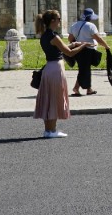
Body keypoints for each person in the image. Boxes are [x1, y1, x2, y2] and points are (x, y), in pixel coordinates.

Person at [33, 10, 85, 138]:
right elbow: (69, 53)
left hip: (48, 68)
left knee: (48, 99)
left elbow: (59, 49)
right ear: (53, 21)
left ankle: (48, 130)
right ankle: (52, 130)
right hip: (56, 69)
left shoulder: (45, 35)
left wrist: (73, 44)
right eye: (59, 19)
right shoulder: (54, 36)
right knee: (55, 99)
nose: (60, 21)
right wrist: (83, 45)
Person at [68, 7, 109, 96]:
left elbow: (70, 39)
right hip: (88, 50)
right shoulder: (91, 26)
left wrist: (78, 42)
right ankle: (76, 88)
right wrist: (106, 46)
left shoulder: (74, 25)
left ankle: (88, 89)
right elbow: (98, 39)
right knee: (84, 70)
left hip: (78, 50)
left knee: (84, 69)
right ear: (90, 17)